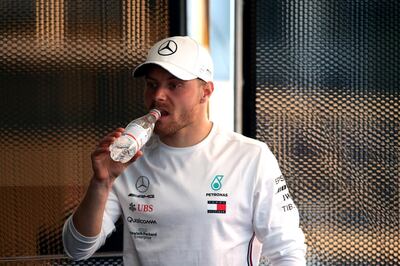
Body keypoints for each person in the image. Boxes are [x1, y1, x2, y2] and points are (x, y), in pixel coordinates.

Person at [62, 36, 307, 265]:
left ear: (206, 92)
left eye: (174, 85)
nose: (158, 95)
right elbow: (77, 249)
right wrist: (100, 183)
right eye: (152, 84)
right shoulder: (128, 158)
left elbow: (287, 250)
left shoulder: (250, 156)